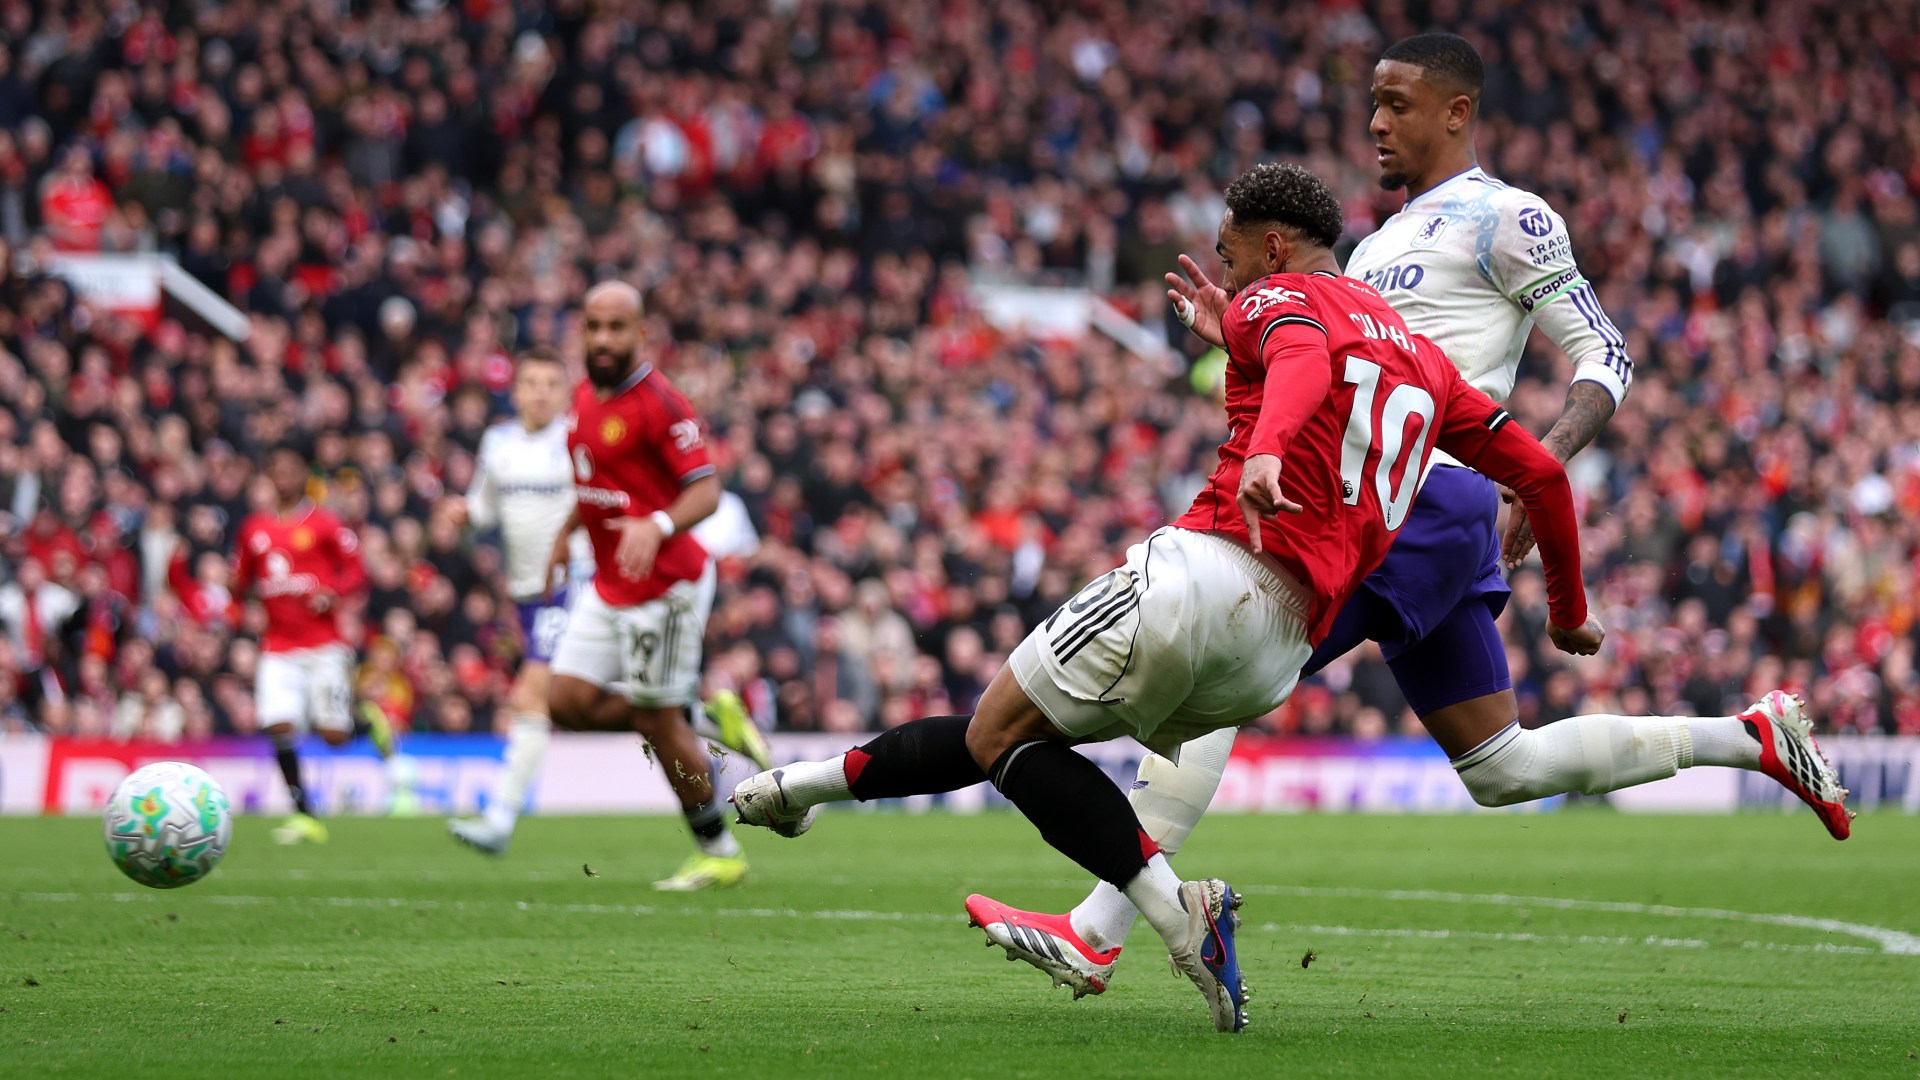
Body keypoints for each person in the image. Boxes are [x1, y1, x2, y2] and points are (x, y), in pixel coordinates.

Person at [961, 32, 1856, 1000]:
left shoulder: (1508, 216)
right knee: (1500, 767)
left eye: (1396, 103)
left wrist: (1538, 467)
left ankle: (1102, 931)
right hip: (1398, 506)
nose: (1376, 122)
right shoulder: (1376, 247)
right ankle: (1751, 738)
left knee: (1222, 663)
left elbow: (1607, 354)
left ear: (1457, 111)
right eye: (1374, 103)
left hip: (1419, 500)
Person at [732, 163, 1599, 1033]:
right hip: (1281, 649)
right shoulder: (1420, 356)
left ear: (1272, 248)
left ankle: (1172, 919)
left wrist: (1268, 445)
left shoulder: (1278, 297)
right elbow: (1542, 476)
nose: (1226, 275)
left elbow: (1300, 356)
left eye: (1229, 255)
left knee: (996, 732)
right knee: (1014, 738)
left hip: (1207, 574)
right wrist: (1566, 610)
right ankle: (796, 790)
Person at [543, 281, 759, 891]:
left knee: (655, 722)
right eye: (593, 326)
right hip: (612, 581)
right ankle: (699, 717)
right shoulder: (584, 395)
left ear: (640, 333)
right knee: (566, 702)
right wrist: (567, 531)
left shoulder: (661, 403)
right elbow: (597, 481)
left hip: (667, 585)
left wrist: (656, 524)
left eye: (616, 327)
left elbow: (706, 491)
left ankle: (719, 849)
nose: (603, 339)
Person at [232, 442, 394, 845]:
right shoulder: (255, 529)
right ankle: (304, 813)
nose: (285, 477)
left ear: (305, 475)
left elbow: (356, 570)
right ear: (269, 476)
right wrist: (238, 606)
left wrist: (333, 591)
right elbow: (241, 581)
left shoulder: (324, 523)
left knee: (332, 736)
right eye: (278, 470)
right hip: (277, 646)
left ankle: (365, 724)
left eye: (292, 469)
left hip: (324, 645)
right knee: (278, 725)